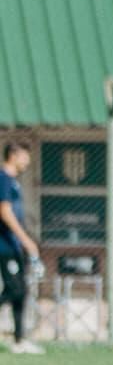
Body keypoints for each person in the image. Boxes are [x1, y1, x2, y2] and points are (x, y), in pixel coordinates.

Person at [0, 142, 41, 354]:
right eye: (25, 156)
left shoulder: (14, 182)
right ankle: (18, 339)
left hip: (13, 245)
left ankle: (19, 340)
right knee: (14, 289)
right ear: (13, 155)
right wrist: (25, 240)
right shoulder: (3, 179)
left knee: (21, 291)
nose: (28, 161)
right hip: (5, 245)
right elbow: (5, 212)